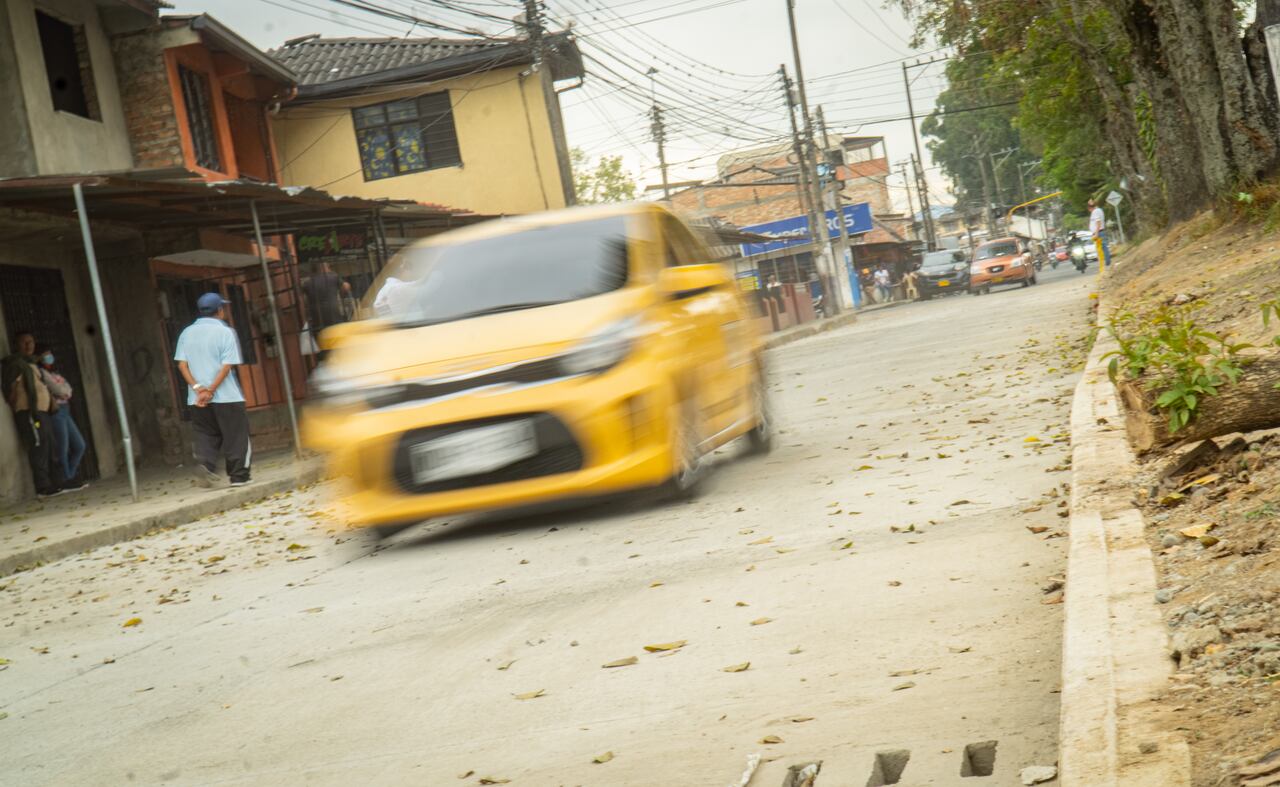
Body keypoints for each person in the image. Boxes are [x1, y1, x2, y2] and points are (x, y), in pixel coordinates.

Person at [174, 293, 251, 487]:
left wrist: (198, 388)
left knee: (206, 434)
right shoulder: (226, 332)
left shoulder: (186, 333)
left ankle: (206, 464)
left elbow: (182, 365)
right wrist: (211, 390)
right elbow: (227, 366)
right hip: (227, 397)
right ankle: (238, 476)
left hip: (197, 399)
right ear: (219, 310)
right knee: (236, 436)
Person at [2, 331, 65, 497]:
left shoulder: (32, 363)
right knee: (39, 446)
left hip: (42, 411)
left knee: (50, 445)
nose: (29, 346)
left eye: (31, 342)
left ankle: (58, 481)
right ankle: (43, 486)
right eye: (24, 342)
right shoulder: (16, 365)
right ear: (17, 345)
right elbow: (11, 391)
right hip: (30, 412)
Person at [36, 346, 87, 489]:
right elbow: (57, 389)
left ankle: (68, 476)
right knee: (62, 448)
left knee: (79, 445)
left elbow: (68, 389)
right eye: (45, 355)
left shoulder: (55, 373)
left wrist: (64, 391)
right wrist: (64, 391)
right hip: (56, 412)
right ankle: (67, 479)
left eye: (50, 354)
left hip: (66, 410)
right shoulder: (42, 373)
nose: (49, 357)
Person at [1088, 198, 1112, 268]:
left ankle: (1107, 263)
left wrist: (1096, 233)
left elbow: (1098, 222)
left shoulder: (1095, 211)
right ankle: (1105, 263)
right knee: (1102, 248)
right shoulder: (1099, 210)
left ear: (1090, 207)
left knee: (1102, 248)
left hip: (1099, 232)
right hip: (1100, 231)